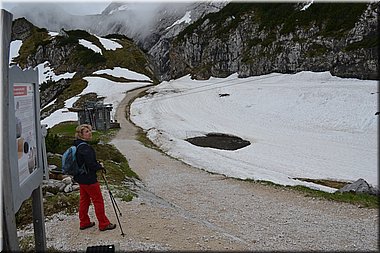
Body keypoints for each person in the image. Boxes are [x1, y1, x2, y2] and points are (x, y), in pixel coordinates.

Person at [73, 124, 116, 231]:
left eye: (89, 131)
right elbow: (91, 164)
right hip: (89, 179)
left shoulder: (77, 145)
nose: (90, 133)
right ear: (81, 134)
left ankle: (84, 222)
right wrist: (100, 166)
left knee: (84, 200)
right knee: (98, 200)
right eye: (87, 132)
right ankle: (104, 224)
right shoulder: (85, 148)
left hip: (80, 178)